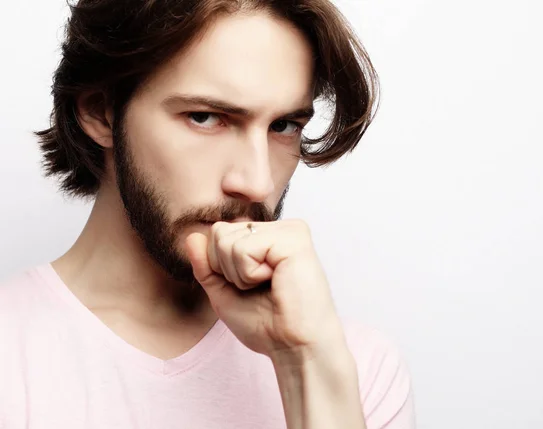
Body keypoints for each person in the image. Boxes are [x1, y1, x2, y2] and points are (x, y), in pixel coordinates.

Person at [0, 1, 415, 428]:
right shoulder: (11, 358)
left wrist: (304, 363)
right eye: (205, 117)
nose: (256, 183)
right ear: (99, 111)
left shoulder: (354, 370)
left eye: (284, 126)